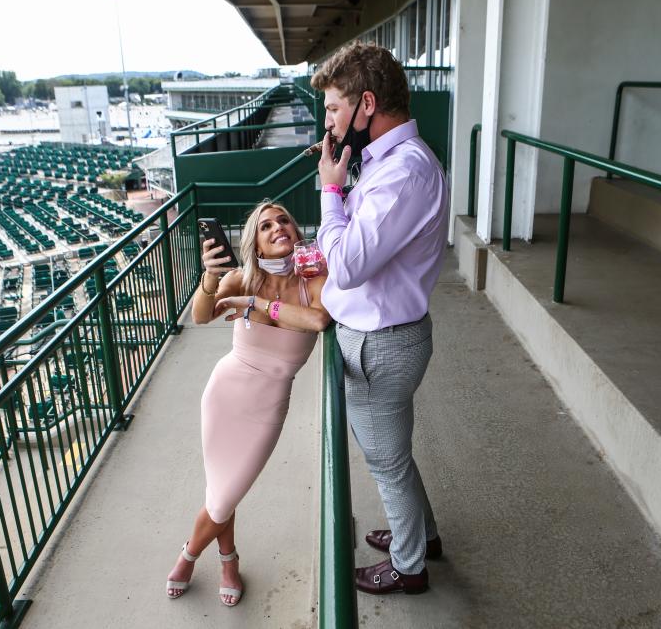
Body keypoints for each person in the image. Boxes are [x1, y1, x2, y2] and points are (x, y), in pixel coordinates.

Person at [312, 41, 449, 596]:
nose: (328, 123)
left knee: (387, 465)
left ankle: (409, 567)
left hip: (382, 343)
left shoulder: (405, 173)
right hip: (384, 335)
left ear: (367, 103)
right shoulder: (389, 162)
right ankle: (423, 537)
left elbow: (345, 265)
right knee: (395, 457)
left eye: (334, 109)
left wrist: (329, 192)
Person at [165, 201, 331, 606]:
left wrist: (255, 305)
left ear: (295, 229)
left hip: (268, 405)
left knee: (224, 493)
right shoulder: (243, 277)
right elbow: (202, 316)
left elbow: (318, 321)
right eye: (266, 225)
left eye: (284, 221)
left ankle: (190, 553)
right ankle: (226, 561)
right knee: (223, 491)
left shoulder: (314, 279)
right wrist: (210, 276)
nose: (278, 228)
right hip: (224, 392)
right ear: (254, 242)